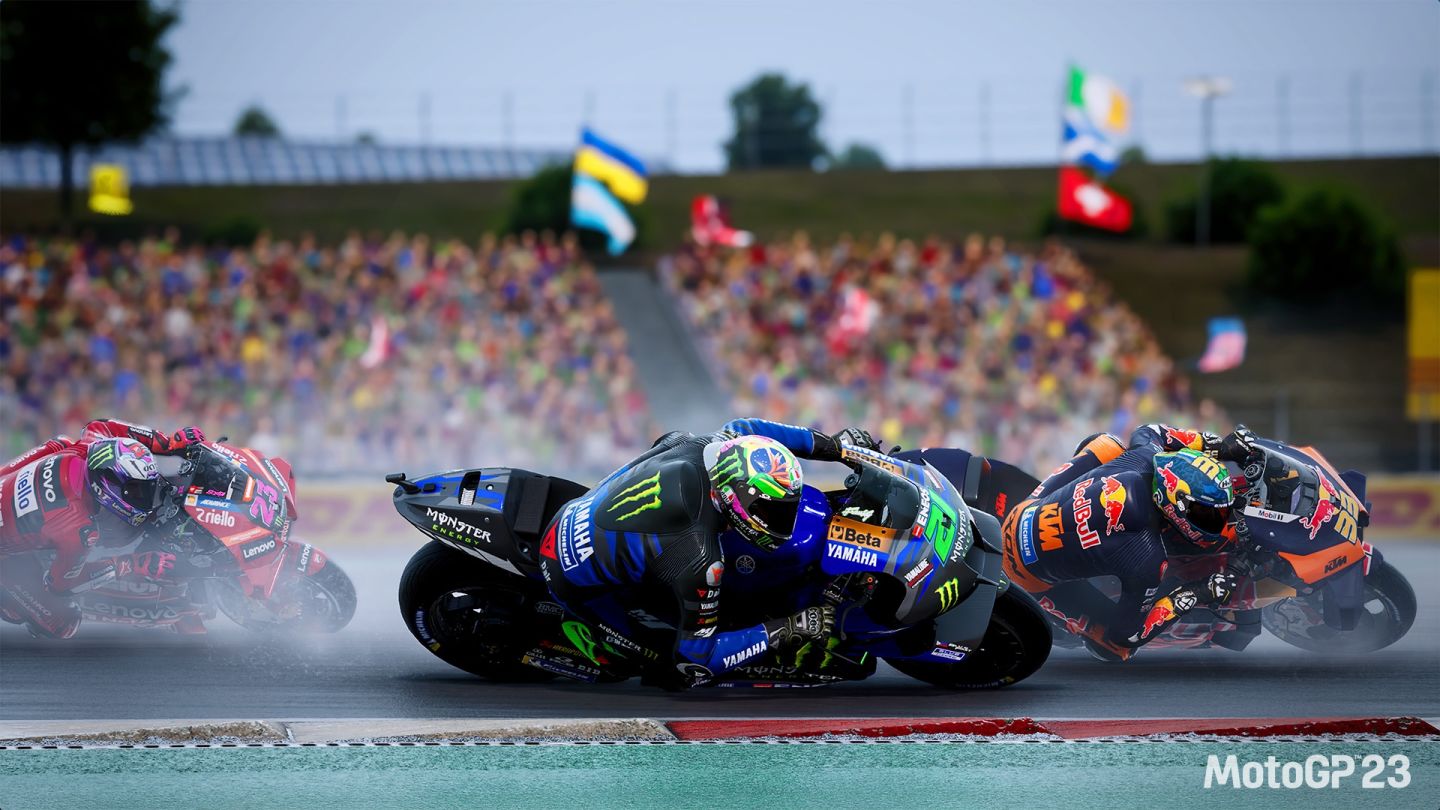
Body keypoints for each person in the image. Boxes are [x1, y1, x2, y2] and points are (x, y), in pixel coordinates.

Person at [538, 417, 877, 689]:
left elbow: (750, 427)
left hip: (582, 511)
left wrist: (836, 447)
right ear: (733, 497)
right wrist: (788, 627)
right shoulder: (698, 554)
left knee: (676, 439)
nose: (783, 521)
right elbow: (697, 658)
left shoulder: (714, 447)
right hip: (573, 577)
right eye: (771, 511)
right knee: (674, 670)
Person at [997, 423, 1261, 661]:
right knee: (1117, 649)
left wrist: (1216, 446)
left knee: (1108, 444)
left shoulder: (1143, 458)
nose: (1215, 520)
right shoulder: (1146, 557)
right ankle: (1072, 624)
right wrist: (1195, 593)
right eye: (1206, 513)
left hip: (1023, 511)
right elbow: (1127, 635)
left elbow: (1149, 431)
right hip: (1025, 573)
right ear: (1173, 501)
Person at [0, 419, 205, 638]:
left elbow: (100, 425)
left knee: (62, 443)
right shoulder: (79, 528)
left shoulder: (87, 448)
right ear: (107, 486)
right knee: (63, 622)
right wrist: (131, 564)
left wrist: (167, 443)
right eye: (136, 490)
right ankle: (9, 600)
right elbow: (61, 585)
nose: (146, 497)